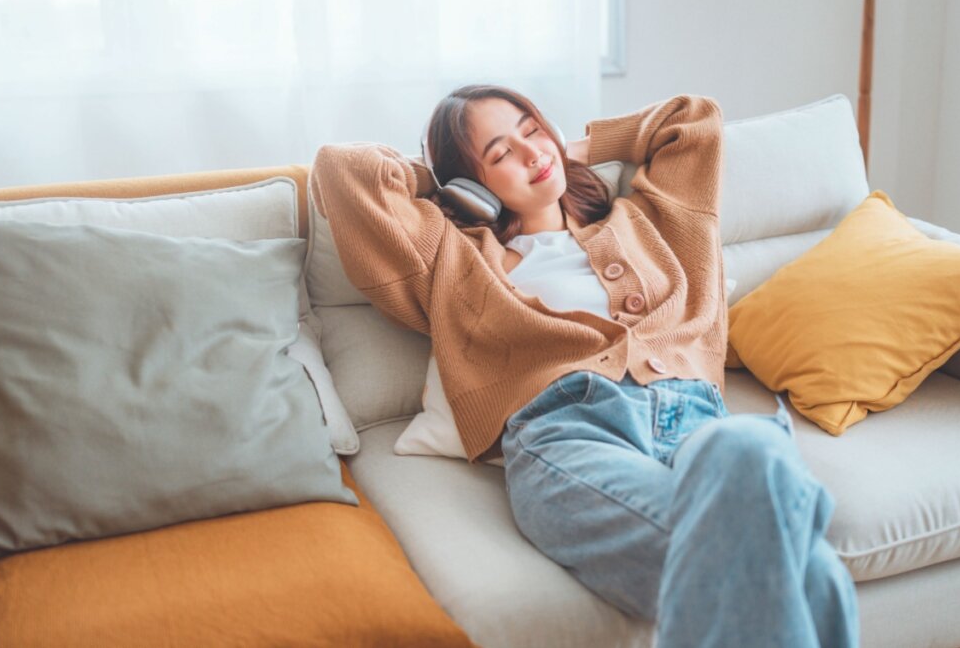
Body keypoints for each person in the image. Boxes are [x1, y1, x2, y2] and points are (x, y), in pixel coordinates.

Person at [309, 84, 859, 648]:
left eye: (531, 129)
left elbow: (691, 120)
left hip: (695, 416)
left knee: (748, 448)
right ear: (473, 182)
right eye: (498, 156)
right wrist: (447, 190)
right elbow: (343, 170)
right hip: (567, 433)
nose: (530, 154)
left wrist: (576, 147)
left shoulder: (650, 219)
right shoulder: (457, 259)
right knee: (802, 558)